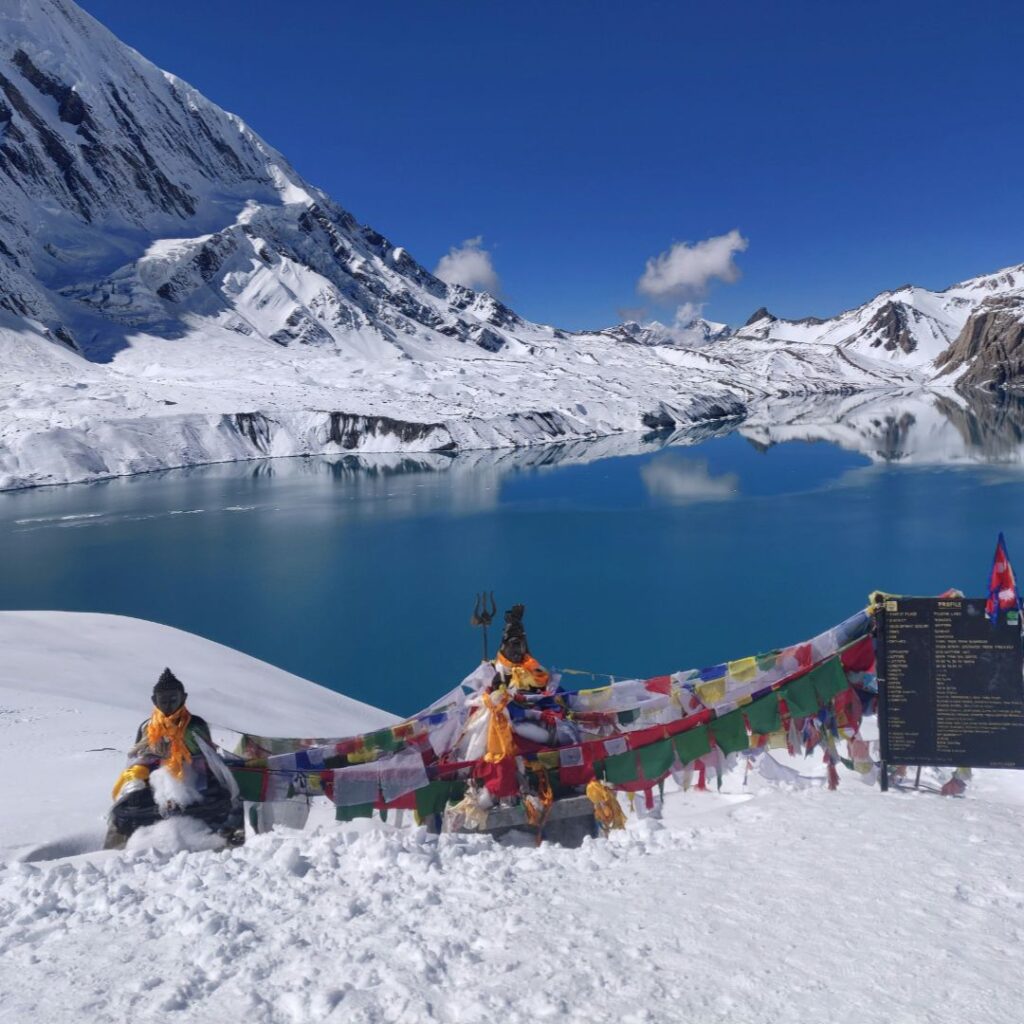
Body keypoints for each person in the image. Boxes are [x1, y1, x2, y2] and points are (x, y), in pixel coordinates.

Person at [104, 668, 243, 849]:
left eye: (173, 699)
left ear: (183, 698)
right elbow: (139, 757)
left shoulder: (195, 725)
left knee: (220, 800)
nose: (168, 704)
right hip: (154, 782)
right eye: (163, 700)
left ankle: (225, 835)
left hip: (196, 777)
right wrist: (138, 774)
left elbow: (208, 756)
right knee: (125, 808)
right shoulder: (148, 727)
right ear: (154, 701)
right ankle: (119, 848)